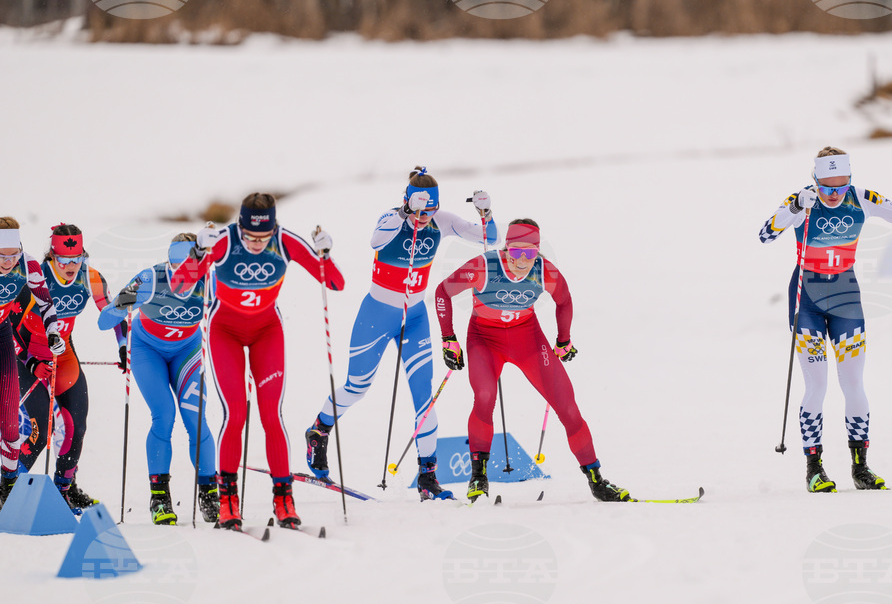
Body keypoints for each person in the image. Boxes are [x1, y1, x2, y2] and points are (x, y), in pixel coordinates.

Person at [304, 166, 496, 501]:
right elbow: (375, 241)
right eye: (419, 211)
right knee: (357, 386)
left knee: (424, 399)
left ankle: (428, 476)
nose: (424, 218)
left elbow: (488, 237)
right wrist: (406, 212)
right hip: (377, 315)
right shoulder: (392, 218)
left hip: (416, 318)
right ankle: (319, 431)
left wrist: (486, 213)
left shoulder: (443, 221)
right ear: (406, 203)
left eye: (430, 211)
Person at [172, 193, 345, 529]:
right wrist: (199, 252)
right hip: (225, 332)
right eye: (249, 236)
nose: (254, 244)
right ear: (240, 226)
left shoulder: (286, 242)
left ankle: (284, 498)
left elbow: (335, 282)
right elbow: (180, 285)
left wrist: (325, 252)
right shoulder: (223, 243)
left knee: (271, 415)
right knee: (235, 414)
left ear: (273, 228)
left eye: (262, 238)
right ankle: (227, 500)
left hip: (267, 331)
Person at [759, 147, 892, 492]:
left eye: (841, 185)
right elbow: (765, 234)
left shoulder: (862, 197)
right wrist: (794, 209)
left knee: (854, 384)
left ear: (849, 179)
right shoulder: (802, 199)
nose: (834, 194)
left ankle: (860, 468)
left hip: (846, 297)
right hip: (806, 298)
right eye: (826, 187)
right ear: (815, 180)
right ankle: (814, 468)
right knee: (817, 385)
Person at [435, 218, 632, 503]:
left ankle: (596, 481)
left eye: (529, 253)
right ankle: (478, 477)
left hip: (527, 339)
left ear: (538, 252)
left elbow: (564, 301)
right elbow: (443, 291)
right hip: (485, 340)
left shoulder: (546, 272)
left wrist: (564, 339)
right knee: (485, 396)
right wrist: (448, 338)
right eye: (516, 252)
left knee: (567, 406)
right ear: (506, 249)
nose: (522, 260)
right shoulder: (483, 266)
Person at [99, 233, 219, 525]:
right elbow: (105, 320)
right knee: (164, 416)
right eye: (175, 267)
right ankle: (160, 497)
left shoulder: (209, 281)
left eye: (187, 269)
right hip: (147, 350)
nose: (182, 277)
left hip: (187, 351)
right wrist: (122, 305)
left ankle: (210, 492)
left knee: (196, 419)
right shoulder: (150, 279)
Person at [10, 224, 125, 511]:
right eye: (64, 261)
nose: (71, 267)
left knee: (76, 422)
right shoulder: (34, 278)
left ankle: (65, 489)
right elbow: (9, 328)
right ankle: (8, 492)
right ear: (52, 257)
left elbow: (112, 312)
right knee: (39, 430)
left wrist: (123, 345)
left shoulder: (91, 278)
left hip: (62, 355)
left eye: (77, 259)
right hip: (25, 356)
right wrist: (31, 361)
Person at [0, 217, 65, 510]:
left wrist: (53, 332)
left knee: (11, 424)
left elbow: (45, 303)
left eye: (13, 255)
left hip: (2, 333)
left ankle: (8, 484)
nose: (8, 262)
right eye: (2, 257)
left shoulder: (27, 265)